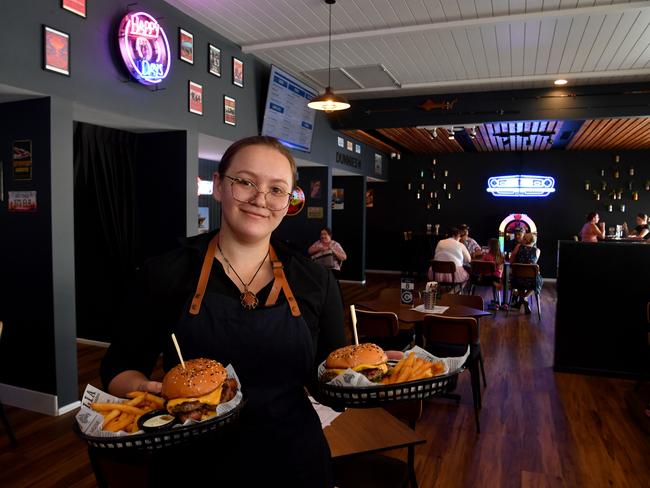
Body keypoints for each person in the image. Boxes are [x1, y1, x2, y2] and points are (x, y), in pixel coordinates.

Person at [100, 136, 346, 487]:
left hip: (294, 462)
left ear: (289, 202)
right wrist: (147, 389)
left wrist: (378, 376)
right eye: (245, 182)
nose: (261, 199)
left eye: (277, 190)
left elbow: (327, 386)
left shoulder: (316, 281)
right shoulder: (165, 273)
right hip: (191, 465)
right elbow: (117, 367)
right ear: (218, 186)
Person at [510, 233, 543, 314]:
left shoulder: (518, 247)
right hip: (531, 280)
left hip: (517, 279)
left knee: (520, 279)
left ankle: (522, 299)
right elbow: (533, 263)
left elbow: (511, 260)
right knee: (538, 281)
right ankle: (525, 298)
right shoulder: (537, 251)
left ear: (525, 240)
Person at [480, 238, 505, 308]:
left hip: (486, 279)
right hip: (497, 278)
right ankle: (496, 301)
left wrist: (480, 276)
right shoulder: (501, 256)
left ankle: (495, 284)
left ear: (490, 246)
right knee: (495, 278)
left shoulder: (486, 256)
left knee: (487, 276)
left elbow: (482, 269)